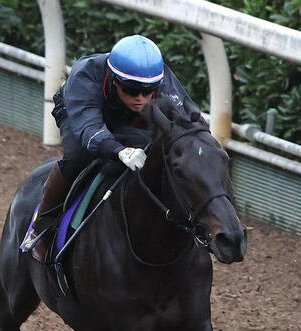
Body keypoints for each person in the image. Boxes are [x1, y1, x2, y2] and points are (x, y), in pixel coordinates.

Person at [20, 34, 197, 262]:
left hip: (127, 117)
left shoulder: (162, 78)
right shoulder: (86, 75)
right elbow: (89, 129)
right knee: (78, 156)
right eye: (132, 90)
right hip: (79, 110)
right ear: (113, 79)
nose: (141, 99)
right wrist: (120, 151)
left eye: (148, 91)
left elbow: (186, 118)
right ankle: (40, 226)